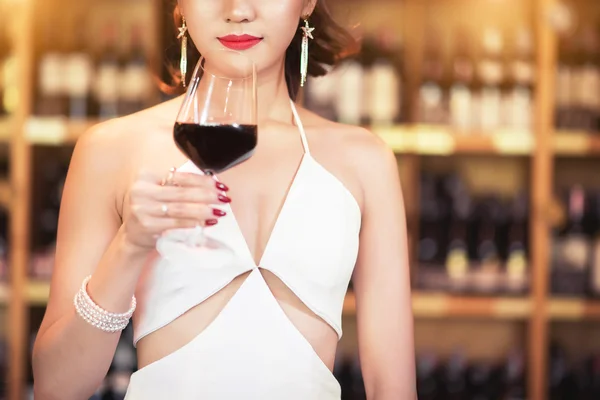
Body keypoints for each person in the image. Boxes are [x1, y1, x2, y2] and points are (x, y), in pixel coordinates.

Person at [32, 0, 416, 399]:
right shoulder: (110, 150)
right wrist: (131, 246)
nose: (238, 10)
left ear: (306, 4)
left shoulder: (365, 161)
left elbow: (393, 388)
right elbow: (56, 387)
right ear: (179, 5)